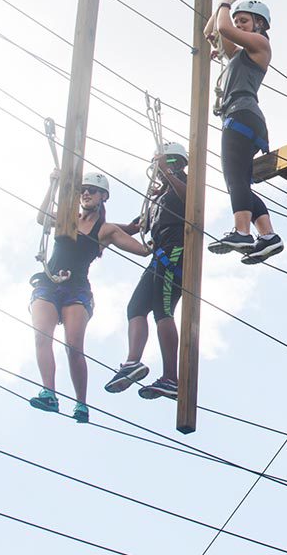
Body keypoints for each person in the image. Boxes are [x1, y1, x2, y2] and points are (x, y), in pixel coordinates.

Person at [29, 171, 151, 423]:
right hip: (49, 283)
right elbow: (42, 218)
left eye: (92, 191)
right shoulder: (67, 218)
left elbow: (141, 251)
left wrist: (156, 232)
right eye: (83, 190)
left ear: (103, 197)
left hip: (76, 289)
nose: (86, 193)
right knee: (42, 336)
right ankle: (49, 392)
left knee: (73, 346)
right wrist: (52, 185)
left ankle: (81, 403)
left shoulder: (105, 230)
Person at [205, 0, 282, 265]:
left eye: (244, 21)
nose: (238, 24)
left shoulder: (261, 45)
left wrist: (227, 1)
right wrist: (224, 5)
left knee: (234, 179)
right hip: (241, 116)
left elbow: (224, 29)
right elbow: (211, 32)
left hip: (241, 114)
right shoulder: (239, 55)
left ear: (259, 24)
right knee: (239, 182)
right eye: (238, 21)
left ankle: (242, 231)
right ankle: (268, 235)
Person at [106, 143, 190, 400]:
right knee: (136, 308)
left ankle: (171, 378)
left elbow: (192, 201)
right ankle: (132, 362)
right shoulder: (156, 199)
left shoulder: (183, 185)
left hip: (176, 254)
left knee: (163, 309)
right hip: (159, 258)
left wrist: (169, 174)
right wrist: (97, 227)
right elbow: (133, 228)